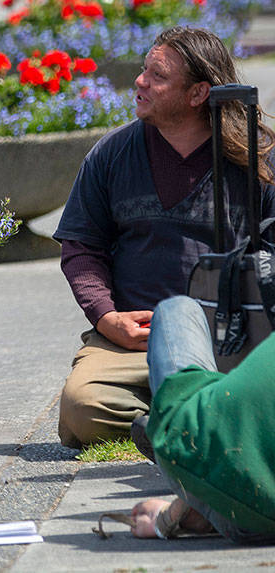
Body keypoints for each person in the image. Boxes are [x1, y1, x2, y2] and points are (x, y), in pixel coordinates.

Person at [53, 26, 275, 448]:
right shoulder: (110, 154)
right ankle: (204, 421)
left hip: (234, 335)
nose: (140, 81)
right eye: (143, 70)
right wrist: (106, 317)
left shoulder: (261, 159)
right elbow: (81, 249)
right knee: (83, 407)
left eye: (157, 76)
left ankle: (170, 423)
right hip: (135, 339)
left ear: (197, 94)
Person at [123, 295, 274, 544]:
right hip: (243, 502)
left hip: (242, 511)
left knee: (178, 309)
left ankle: (200, 497)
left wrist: (167, 518)